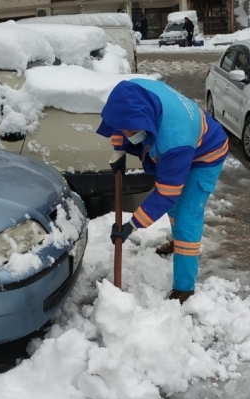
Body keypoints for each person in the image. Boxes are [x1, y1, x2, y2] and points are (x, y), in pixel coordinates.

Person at [96, 79, 228, 304]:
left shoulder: (174, 141)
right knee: (175, 208)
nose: (127, 133)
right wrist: (118, 151)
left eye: (132, 129)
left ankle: (184, 289)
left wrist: (132, 225)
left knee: (186, 215)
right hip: (184, 139)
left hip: (206, 154)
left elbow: (167, 193)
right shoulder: (133, 92)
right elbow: (120, 121)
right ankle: (178, 243)